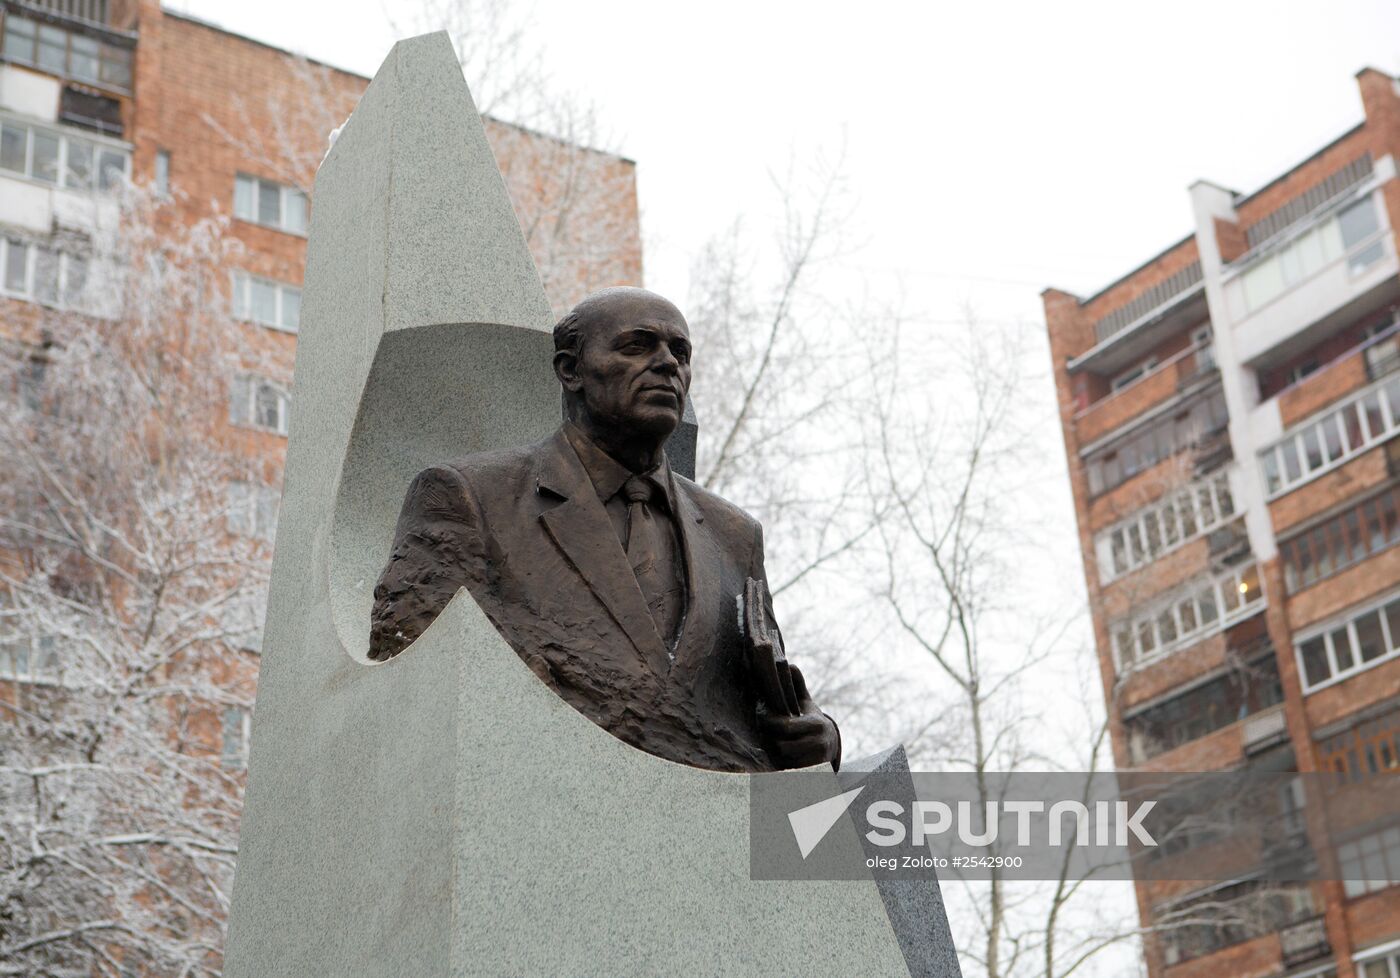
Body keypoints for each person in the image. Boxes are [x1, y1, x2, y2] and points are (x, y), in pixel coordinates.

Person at [369, 287, 840, 773]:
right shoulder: (470, 495)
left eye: (680, 353)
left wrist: (820, 734)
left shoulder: (735, 534)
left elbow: (763, 700)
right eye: (637, 346)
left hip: (711, 806)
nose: (667, 364)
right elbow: (417, 670)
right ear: (570, 370)